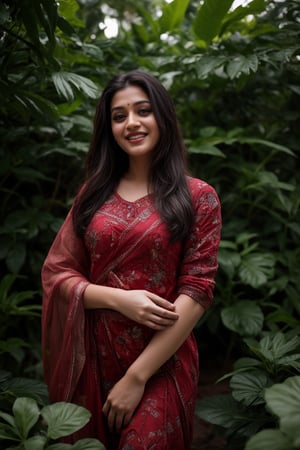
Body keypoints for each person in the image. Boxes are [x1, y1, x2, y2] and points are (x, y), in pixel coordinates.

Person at [41, 70, 222, 450]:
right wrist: (120, 299)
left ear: (163, 117)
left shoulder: (197, 197)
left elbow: (198, 289)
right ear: (109, 128)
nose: (132, 123)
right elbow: (58, 273)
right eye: (119, 116)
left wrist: (137, 377)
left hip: (161, 360)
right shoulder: (93, 193)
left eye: (143, 110)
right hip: (94, 356)